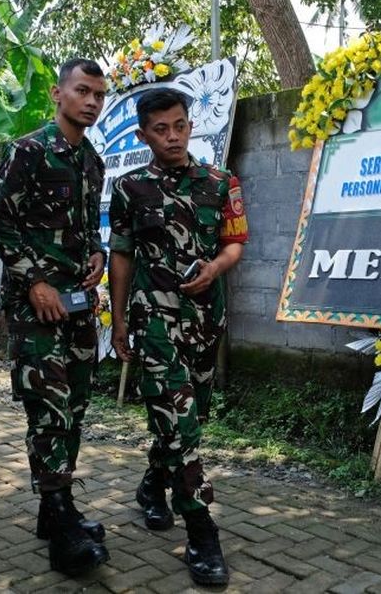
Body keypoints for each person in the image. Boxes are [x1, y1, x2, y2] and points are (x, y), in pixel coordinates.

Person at [108, 88, 248, 586]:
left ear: (191, 125)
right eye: (161, 129)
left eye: (180, 125)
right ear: (143, 135)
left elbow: (234, 243)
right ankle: (201, 532)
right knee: (179, 422)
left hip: (206, 320)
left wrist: (215, 268)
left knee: (186, 421)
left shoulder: (220, 182)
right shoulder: (129, 189)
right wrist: (118, 321)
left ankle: (152, 485)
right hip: (155, 321)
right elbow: (121, 255)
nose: (173, 136)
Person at [0, 58, 111, 576]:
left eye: (99, 94)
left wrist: (98, 252)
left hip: (78, 304)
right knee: (48, 408)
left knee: (74, 405)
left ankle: (54, 508)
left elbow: (87, 224)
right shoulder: (29, 151)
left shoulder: (93, 160)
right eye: (82, 91)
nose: (92, 101)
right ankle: (63, 530)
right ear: (58, 94)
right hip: (36, 307)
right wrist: (35, 281)